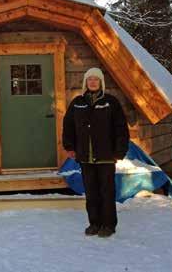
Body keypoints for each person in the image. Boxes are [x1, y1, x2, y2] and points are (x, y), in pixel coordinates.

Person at [62, 67, 130, 238]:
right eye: (90, 79)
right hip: (85, 157)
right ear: (86, 82)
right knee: (91, 192)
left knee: (107, 192)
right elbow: (68, 126)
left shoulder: (110, 102)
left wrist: (119, 151)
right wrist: (70, 147)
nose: (92, 82)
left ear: (101, 82)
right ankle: (94, 223)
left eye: (96, 79)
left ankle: (108, 225)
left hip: (106, 157)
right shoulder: (77, 103)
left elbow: (121, 128)